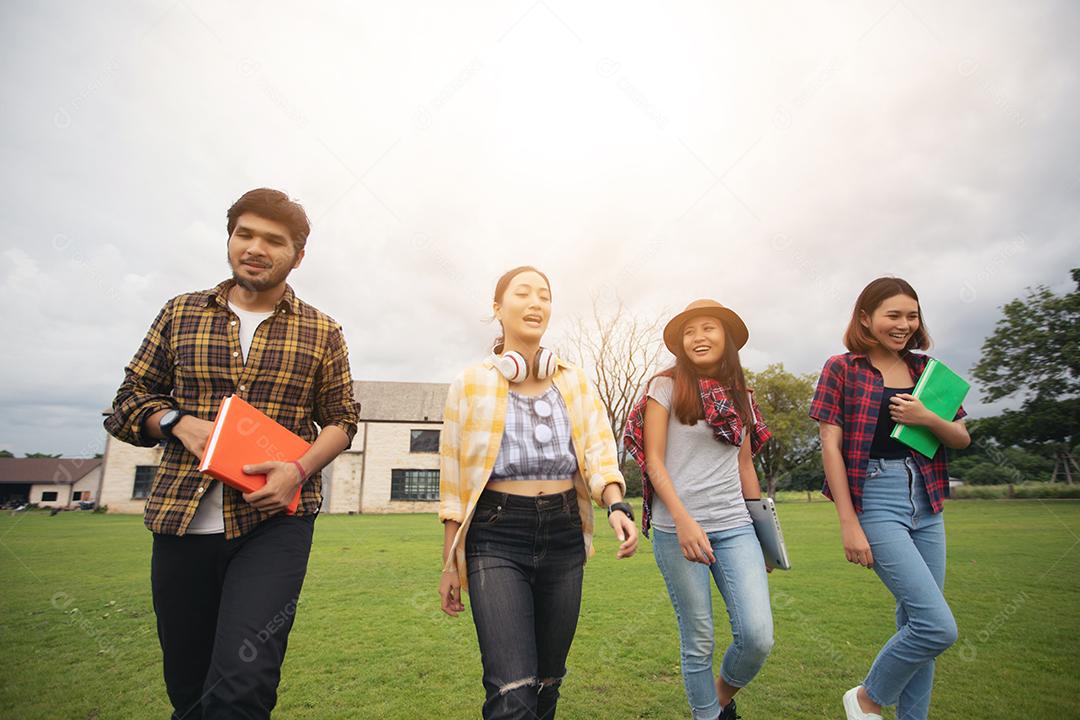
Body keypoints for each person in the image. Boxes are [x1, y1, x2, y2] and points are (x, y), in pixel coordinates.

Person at [104, 188, 360, 719]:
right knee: (189, 689)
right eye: (244, 234)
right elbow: (127, 403)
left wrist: (298, 469)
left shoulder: (322, 330)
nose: (255, 248)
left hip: (272, 528)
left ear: (298, 255)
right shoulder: (179, 314)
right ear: (229, 239)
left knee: (245, 683)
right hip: (181, 522)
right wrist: (176, 422)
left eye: (274, 240)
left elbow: (341, 420)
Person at [437, 265, 638, 720]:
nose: (535, 303)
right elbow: (453, 481)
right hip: (495, 534)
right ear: (497, 308)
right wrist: (450, 561)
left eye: (544, 295)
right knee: (512, 692)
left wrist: (616, 504)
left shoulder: (575, 382)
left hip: (564, 535)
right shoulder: (469, 384)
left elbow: (599, 453)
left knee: (547, 684)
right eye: (522, 293)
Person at [809, 277, 969, 720]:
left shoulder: (926, 370)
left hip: (928, 500)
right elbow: (830, 446)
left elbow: (960, 436)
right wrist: (848, 522)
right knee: (936, 626)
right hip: (875, 498)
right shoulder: (841, 368)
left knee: (917, 625)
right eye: (892, 315)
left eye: (911, 315)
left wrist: (927, 416)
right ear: (866, 318)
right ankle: (867, 699)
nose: (903, 324)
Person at [624, 299, 774, 720]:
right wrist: (685, 521)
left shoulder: (741, 394)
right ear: (681, 344)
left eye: (708, 328)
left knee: (758, 636)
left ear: (725, 338)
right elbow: (653, 460)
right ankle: (707, 715)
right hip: (678, 530)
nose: (698, 337)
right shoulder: (665, 387)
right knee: (699, 639)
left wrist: (765, 539)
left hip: (735, 526)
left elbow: (745, 466)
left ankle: (719, 698)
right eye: (690, 332)